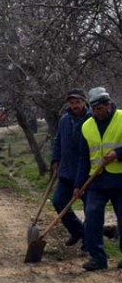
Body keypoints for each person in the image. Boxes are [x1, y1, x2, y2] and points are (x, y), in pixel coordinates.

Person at [74, 87, 122, 271]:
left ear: (109, 105)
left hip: (120, 179)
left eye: (99, 109)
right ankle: (97, 258)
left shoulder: (121, 118)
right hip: (97, 180)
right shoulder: (87, 126)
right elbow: (83, 158)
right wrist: (78, 185)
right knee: (92, 216)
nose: (96, 113)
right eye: (93, 109)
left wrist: (118, 153)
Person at [51, 89, 90, 248]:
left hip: (87, 173)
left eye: (78, 102)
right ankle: (77, 231)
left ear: (84, 102)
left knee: (90, 209)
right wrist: (55, 159)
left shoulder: (91, 119)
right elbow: (58, 140)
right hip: (66, 171)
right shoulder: (64, 120)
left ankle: (89, 241)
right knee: (58, 201)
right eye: (72, 103)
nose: (75, 105)